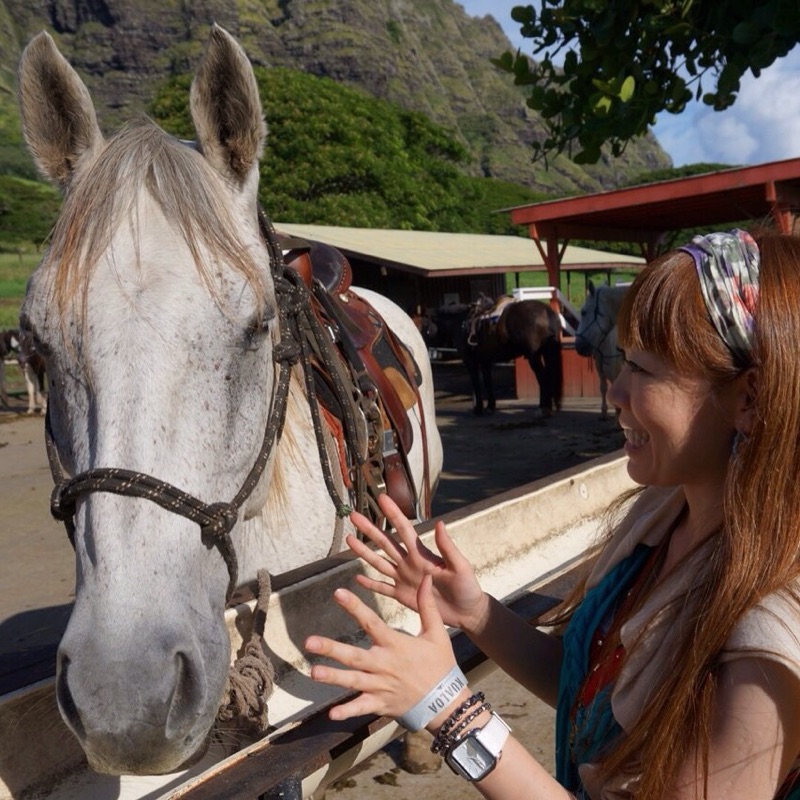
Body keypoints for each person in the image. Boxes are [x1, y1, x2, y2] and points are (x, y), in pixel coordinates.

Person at [304, 229, 800, 799]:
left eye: (645, 370)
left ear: (749, 398)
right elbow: (586, 688)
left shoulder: (766, 642)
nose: (614, 393)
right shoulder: (665, 518)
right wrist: (476, 612)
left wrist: (449, 709)